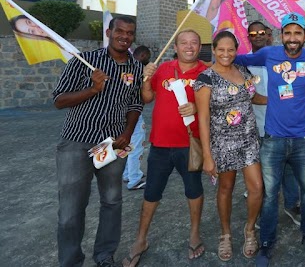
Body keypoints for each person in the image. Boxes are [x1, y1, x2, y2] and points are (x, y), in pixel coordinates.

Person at [234, 12, 305, 267]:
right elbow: (234, 58)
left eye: (298, 33)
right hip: (273, 139)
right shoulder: (269, 54)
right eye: (288, 33)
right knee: (270, 194)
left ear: (304, 35)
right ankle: (266, 243)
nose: (293, 38)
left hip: (304, 140)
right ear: (282, 35)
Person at [53, 17, 143, 267]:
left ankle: (105, 256)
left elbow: (135, 103)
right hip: (76, 142)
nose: (124, 36)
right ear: (109, 32)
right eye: (119, 31)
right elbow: (59, 100)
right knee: (71, 210)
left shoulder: (136, 67)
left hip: (112, 145)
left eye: (130, 32)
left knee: (112, 202)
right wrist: (93, 89)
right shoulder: (84, 61)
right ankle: (70, 262)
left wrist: (127, 132)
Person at [123, 30, 208, 267]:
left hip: (190, 144)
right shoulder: (163, 68)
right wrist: (146, 78)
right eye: (184, 43)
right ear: (177, 46)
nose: (189, 47)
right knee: (151, 193)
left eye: (193, 43)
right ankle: (140, 239)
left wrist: (197, 108)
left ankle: (194, 234)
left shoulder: (206, 72)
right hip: (160, 144)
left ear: (199, 46)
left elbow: (215, 106)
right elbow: (147, 97)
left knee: (194, 190)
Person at [194, 31, 266, 261]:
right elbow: (203, 119)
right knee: (226, 188)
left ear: (236, 51)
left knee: (256, 188)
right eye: (221, 50)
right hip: (223, 143)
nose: (226, 54)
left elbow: (252, 97)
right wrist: (207, 155)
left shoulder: (243, 72)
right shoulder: (206, 78)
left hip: (248, 140)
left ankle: (249, 229)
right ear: (214, 50)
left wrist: (278, 99)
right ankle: (225, 234)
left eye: (231, 49)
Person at [122, 45, 151, 191]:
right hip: (134, 114)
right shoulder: (138, 70)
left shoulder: (126, 70)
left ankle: (127, 174)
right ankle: (134, 179)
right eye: (148, 56)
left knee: (128, 146)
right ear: (143, 55)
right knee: (136, 147)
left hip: (122, 114)